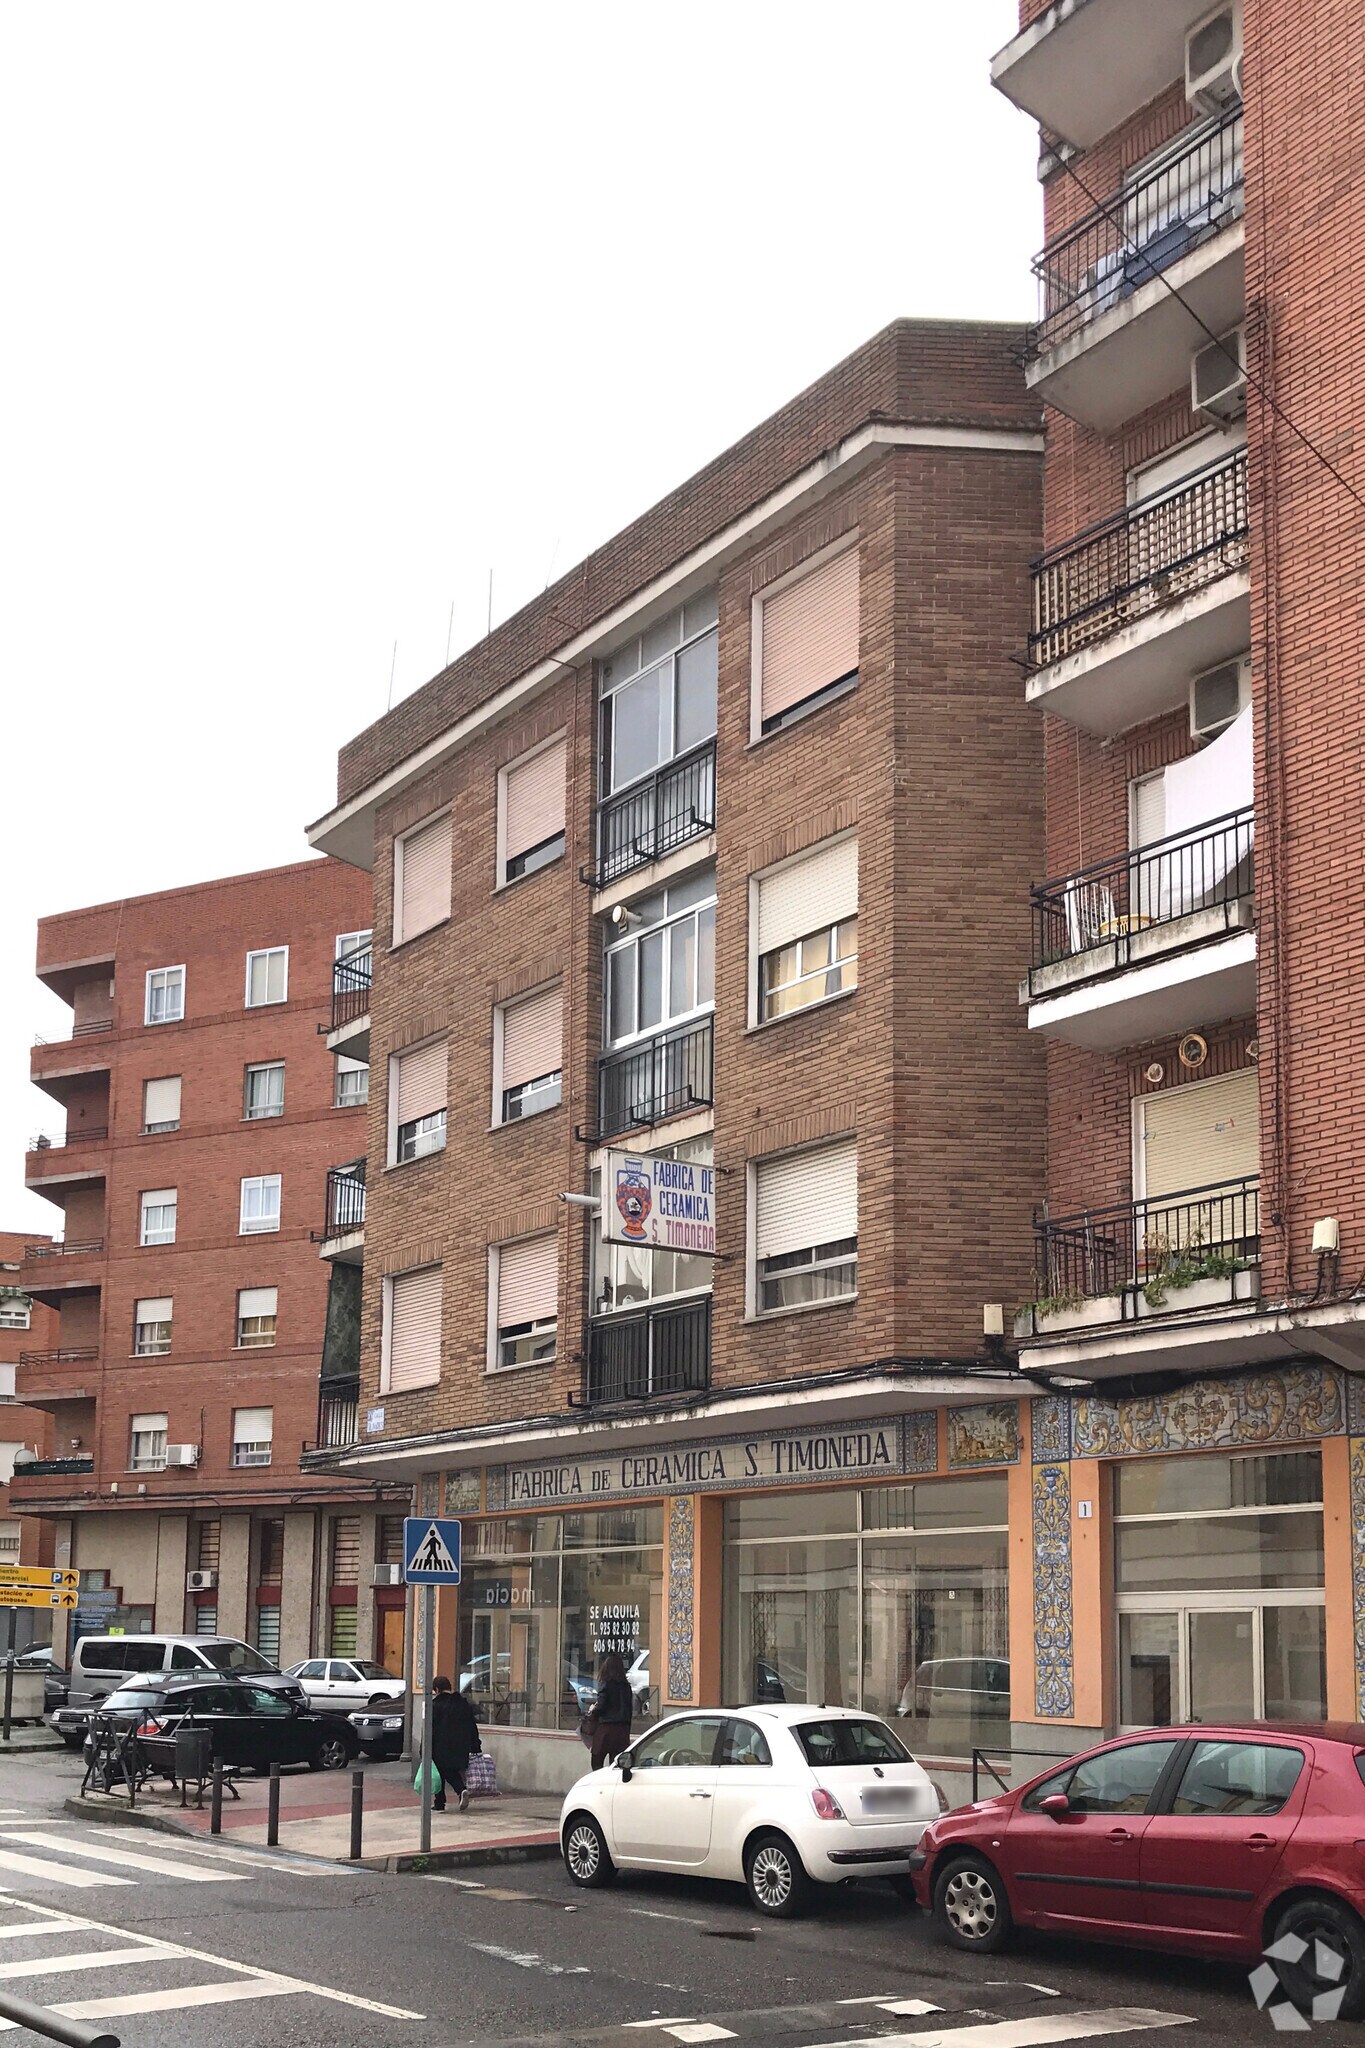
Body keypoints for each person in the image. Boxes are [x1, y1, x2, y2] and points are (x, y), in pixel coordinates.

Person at [428, 1673, 481, 1812]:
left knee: (441, 1772)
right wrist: (475, 1744)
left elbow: (430, 1728)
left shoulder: (435, 1705)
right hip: (461, 1746)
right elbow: (472, 1725)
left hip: (440, 1745)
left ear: (436, 1689)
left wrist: (425, 1747)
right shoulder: (462, 1704)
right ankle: (452, 1796)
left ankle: (450, 1796)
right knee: (451, 1770)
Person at [586, 1651, 633, 1770]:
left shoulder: (606, 1684)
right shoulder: (626, 1686)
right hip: (622, 1730)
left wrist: (593, 1709)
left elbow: (601, 1705)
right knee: (617, 1766)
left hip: (605, 1730)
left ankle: (600, 1786)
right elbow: (630, 1709)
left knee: (597, 1763)